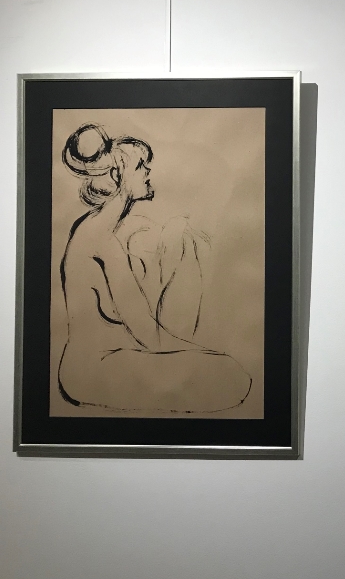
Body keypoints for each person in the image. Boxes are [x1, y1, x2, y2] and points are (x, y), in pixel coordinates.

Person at [56, 123, 251, 412]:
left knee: (221, 372)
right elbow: (150, 335)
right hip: (94, 371)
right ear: (118, 175)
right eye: (140, 166)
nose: (148, 172)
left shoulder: (99, 231)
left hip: (108, 361)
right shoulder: (102, 242)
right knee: (231, 376)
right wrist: (205, 352)